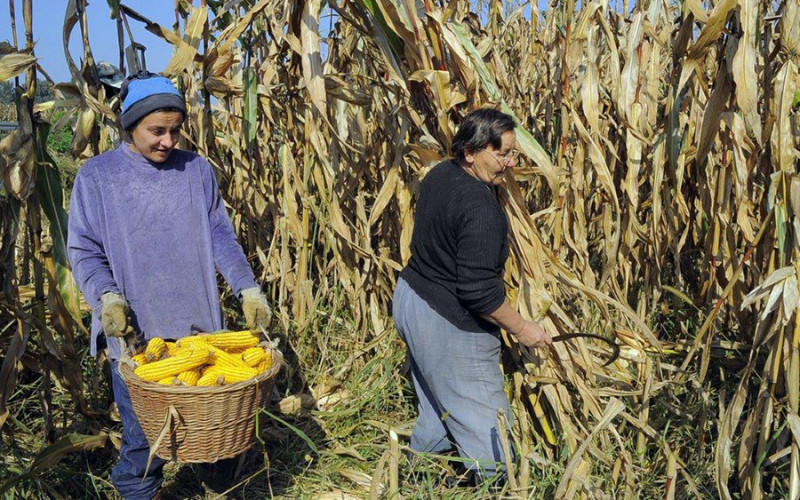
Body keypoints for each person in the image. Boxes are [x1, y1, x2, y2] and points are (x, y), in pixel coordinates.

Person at [67, 71, 272, 500]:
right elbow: (84, 249)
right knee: (146, 441)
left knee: (215, 438)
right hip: (137, 337)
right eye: (156, 131)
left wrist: (247, 287)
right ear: (130, 125)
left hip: (201, 332)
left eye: (175, 131)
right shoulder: (97, 177)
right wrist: (107, 296)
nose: (168, 141)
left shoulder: (196, 171)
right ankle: (141, 492)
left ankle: (221, 489)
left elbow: (219, 236)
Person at [392, 108, 552, 484]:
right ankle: (494, 486)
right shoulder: (481, 208)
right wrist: (524, 329)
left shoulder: (439, 175)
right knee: (488, 432)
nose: (510, 164)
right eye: (503, 154)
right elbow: (479, 293)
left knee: (438, 401)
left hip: (411, 299)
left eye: (514, 154)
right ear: (470, 152)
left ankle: (419, 475)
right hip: (449, 323)